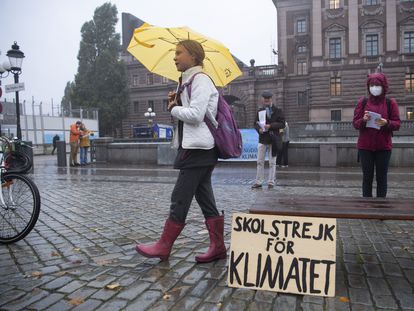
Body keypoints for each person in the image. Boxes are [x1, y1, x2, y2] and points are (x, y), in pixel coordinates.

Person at [135, 40, 226, 263]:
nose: (174, 57)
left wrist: (175, 108)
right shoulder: (187, 82)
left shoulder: (201, 80)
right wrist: (176, 101)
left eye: (179, 53)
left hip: (198, 148)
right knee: (204, 197)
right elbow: (192, 112)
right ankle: (218, 247)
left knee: (180, 197)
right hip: (197, 148)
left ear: (193, 56)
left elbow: (195, 115)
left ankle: (163, 246)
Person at [352, 72, 400, 198]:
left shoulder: (391, 103)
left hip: (383, 147)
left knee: (381, 178)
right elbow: (355, 123)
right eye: (372, 85)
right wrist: (363, 120)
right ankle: (367, 206)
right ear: (368, 87)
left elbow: (397, 124)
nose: (374, 87)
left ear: (384, 86)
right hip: (365, 147)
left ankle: (381, 207)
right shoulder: (363, 102)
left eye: (377, 85)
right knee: (367, 178)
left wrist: (387, 122)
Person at [252, 91, 285, 189]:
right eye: (265, 99)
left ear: (271, 99)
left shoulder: (278, 111)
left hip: (274, 139)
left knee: (272, 162)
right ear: (263, 100)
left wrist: (270, 126)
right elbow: (255, 123)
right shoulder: (259, 111)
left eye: (268, 99)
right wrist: (259, 129)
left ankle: (271, 182)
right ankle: (258, 182)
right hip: (263, 139)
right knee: (259, 161)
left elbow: (282, 124)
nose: (266, 100)